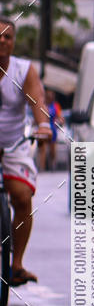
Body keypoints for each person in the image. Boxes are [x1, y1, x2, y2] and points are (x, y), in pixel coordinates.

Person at [0, 18, 52, 286]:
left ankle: (16, 264)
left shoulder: (24, 69)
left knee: (22, 198)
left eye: (8, 37)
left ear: (14, 41)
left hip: (12, 147)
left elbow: (37, 101)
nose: (2, 41)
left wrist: (43, 125)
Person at [38, 87, 64, 172]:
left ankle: (52, 164)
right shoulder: (43, 105)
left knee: (52, 149)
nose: (49, 97)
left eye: (51, 96)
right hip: (44, 127)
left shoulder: (56, 106)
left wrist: (60, 121)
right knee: (43, 148)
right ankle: (42, 167)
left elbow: (60, 117)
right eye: (48, 96)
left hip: (53, 129)